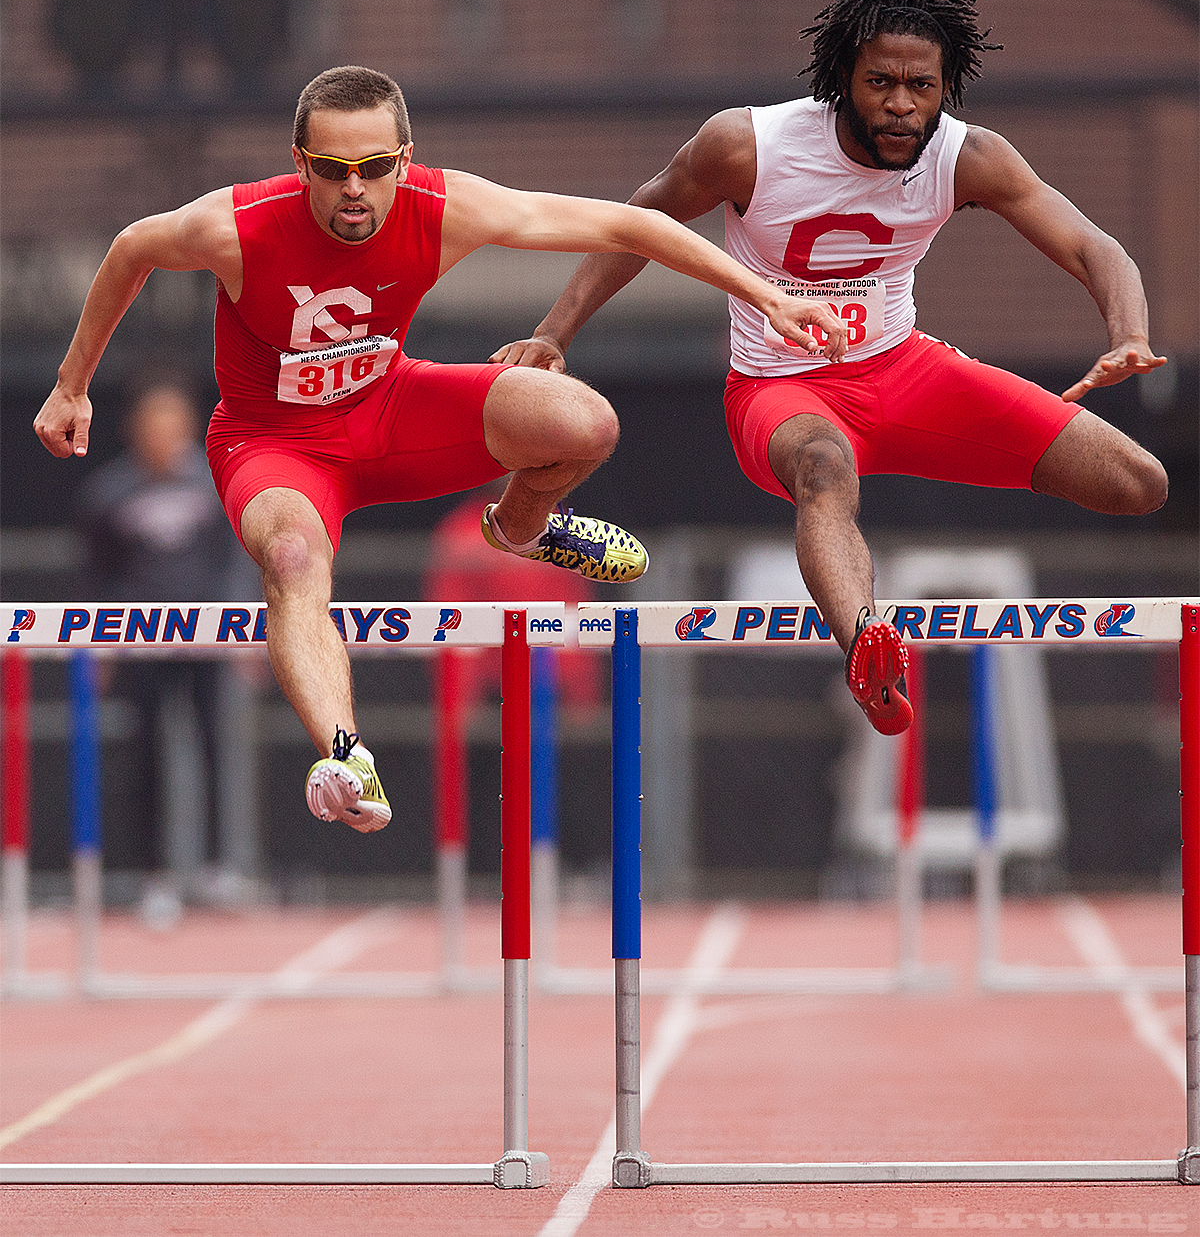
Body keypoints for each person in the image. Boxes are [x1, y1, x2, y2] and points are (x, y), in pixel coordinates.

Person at [34, 64, 851, 834]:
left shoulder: (445, 206)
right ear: (300, 163)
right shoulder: (236, 225)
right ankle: (348, 759)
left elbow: (630, 222)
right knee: (289, 559)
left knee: (585, 423)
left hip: (393, 412)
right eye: (332, 168)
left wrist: (767, 296)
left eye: (376, 166)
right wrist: (73, 386)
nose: (355, 189)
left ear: (405, 158)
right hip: (277, 446)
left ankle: (524, 525)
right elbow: (132, 247)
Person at [492, 0, 1169, 737]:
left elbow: (1095, 246)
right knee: (826, 469)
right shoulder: (748, 145)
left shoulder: (967, 156)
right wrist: (554, 332)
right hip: (783, 391)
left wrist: (1129, 334)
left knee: (1137, 482)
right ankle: (869, 651)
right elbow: (639, 225)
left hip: (906, 373)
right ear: (842, 77)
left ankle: (872, 635)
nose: (902, 109)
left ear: (946, 85)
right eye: (881, 83)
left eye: (922, 87)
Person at [75, 379, 252, 913]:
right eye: (152, 422)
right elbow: (95, 577)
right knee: (146, 753)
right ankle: (153, 877)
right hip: (140, 643)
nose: (162, 433)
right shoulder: (109, 495)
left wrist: (244, 633)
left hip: (207, 637)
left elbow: (234, 560)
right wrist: (98, 645)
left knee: (214, 744)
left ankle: (219, 869)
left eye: (172, 421)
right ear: (136, 429)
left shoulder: (213, 486)